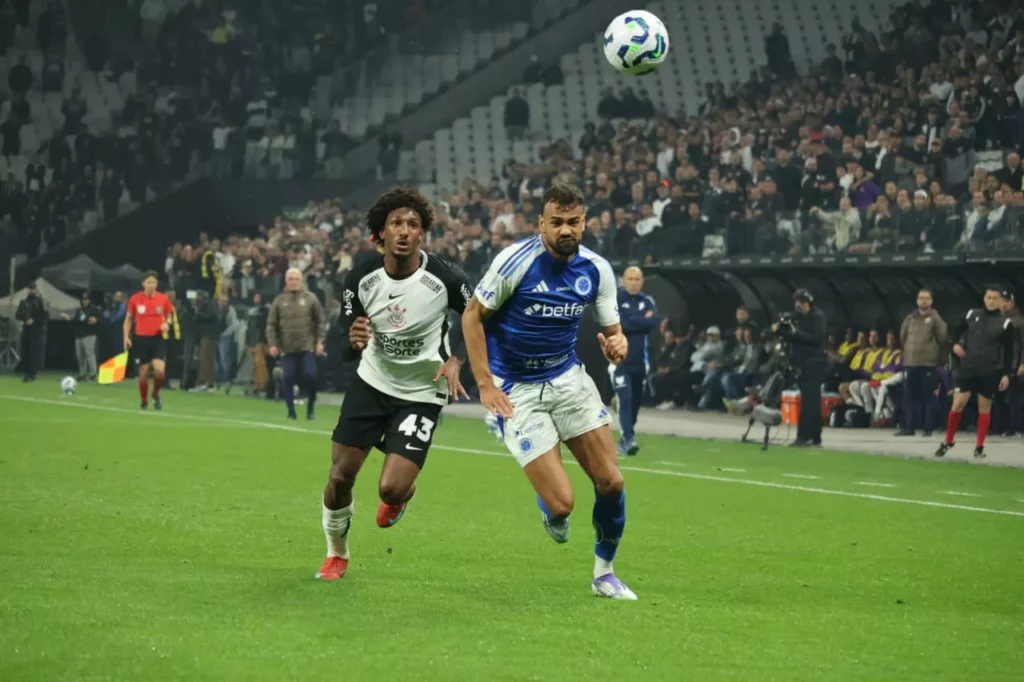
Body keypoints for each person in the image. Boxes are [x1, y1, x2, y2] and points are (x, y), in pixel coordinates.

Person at [462, 184, 637, 600]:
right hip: (517, 389)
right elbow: (472, 316)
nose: (565, 230)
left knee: (612, 482)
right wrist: (485, 384)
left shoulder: (597, 269)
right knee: (562, 505)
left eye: (573, 222)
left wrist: (619, 345)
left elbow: (615, 334)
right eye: (556, 222)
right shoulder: (515, 262)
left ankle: (605, 574)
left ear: (584, 223)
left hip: (567, 380)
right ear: (541, 223)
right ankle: (550, 510)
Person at [317, 187, 471, 582]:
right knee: (340, 476)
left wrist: (457, 359)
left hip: (422, 392)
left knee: (390, 489)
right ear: (380, 233)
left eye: (413, 224)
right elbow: (345, 342)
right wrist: (352, 340)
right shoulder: (360, 277)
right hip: (372, 383)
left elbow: (478, 320)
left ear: (422, 234)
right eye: (396, 223)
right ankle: (336, 554)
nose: (404, 231)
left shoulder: (447, 278)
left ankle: (403, 494)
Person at [936, 287, 1018, 459]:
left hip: (989, 371)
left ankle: (979, 446)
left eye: (995, 298)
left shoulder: (1006, 324)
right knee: (957, 404)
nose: (991, 301)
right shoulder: (971, 314)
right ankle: (948, 440)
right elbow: (953, 330)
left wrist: (1006, 374)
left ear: (1001, 301)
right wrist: (954, 345)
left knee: (984, 408)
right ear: (984, 298)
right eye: (989, 297)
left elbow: (1009, 352)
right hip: (968, 368)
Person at [267, 268, 326, 420]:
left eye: (296, 279)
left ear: (301, 281)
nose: (293, 282)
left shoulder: (310, 298)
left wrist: (320, 341)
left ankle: (311, 406)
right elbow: (271, 324)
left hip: (307, 347)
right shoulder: (279, 300)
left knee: (311, 376)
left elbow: (320, 321)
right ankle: (291, 411)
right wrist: (272, 344)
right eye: (290, 279)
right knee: (288, 378)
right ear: (286, 281)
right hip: (287, 348)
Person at [612, 266, 659, 455]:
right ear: (623, 281)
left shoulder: (648, 301)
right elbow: (619, 324)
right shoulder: (615, 299)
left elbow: (654, 321)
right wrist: (641, 320)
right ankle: (629, 439)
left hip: (641, 362)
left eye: (637, 279)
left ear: (642, 282)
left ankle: (625, 438)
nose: (633, 282)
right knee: (625, 399)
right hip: (619, 361)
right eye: (630, 279)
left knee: (635, 402)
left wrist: (632, 320)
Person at [774, 288, 827, 447]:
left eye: (801, 303)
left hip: (814, 362)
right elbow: (787, 333)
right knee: (812, 401)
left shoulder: (818, 317)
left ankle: (804, 436)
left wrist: (796, 333)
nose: (799, 306)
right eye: (797, 303)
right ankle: (815, 437)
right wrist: (781, 328)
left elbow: (816, 339)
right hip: (801, 363)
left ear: (808, 303)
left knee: (810, 402)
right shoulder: (797, 317)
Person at [897, 289, 948, 436]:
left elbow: (942, 338)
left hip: (928, 364)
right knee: (910, 396)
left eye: (926, 298)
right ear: (917, 300)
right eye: (921, 298)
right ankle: (909, 426)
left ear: (931, 301)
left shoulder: (935, 318)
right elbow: (903, 336)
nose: (923, 301)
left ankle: (928, 427)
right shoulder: (910, 319)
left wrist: (939, 359)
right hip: (911, 363)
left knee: (928, 396)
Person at [123, 271, 174, 410]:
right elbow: (128, 319)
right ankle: (144, 399)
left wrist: (167, 324)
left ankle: (156, 394)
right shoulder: (135, 299)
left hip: (157, 339)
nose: (151, 285)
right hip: (141, 339)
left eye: (154, 282)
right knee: (143, 373)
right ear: (143, 283)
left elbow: (169, 315)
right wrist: (126, 337)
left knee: (160, 370)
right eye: (149, 282)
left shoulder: (163, 299)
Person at [15, 281, 46, 382]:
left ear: (36, 290)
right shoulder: (24, 301)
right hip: (26, 330)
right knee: (25, 352)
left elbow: (45, 316)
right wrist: (26, 319)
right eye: (29, 289)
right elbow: (17, 314)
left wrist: (34, 320)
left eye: (32, 289)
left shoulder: (40, 301)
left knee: (34, 353)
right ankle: (26, 373)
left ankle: (32, 374)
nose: (30, 291)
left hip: (37, 331)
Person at [71, 293, 101, 381]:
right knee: (80, 356)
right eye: (83, 299)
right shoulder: (79, 310)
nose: (85, 301)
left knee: (90, 355)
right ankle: (82, 373)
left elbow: (101, 319)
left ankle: (93, 374)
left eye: (86, 299)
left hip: (89, 335)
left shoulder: (94, 309)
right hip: (79, 335)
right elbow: (75, 320)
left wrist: (96, 320)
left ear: (89, 300)